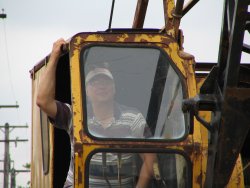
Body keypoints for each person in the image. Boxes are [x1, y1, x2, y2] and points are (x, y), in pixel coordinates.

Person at [37, 39, 156, 188]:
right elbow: (43, 100)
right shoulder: (75, 115)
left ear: (114, 88)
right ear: (86, 91)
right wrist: (55, 56)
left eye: (106, 81)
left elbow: (150, 159)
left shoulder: (133, 118)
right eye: (95, 82)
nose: (101, 86)